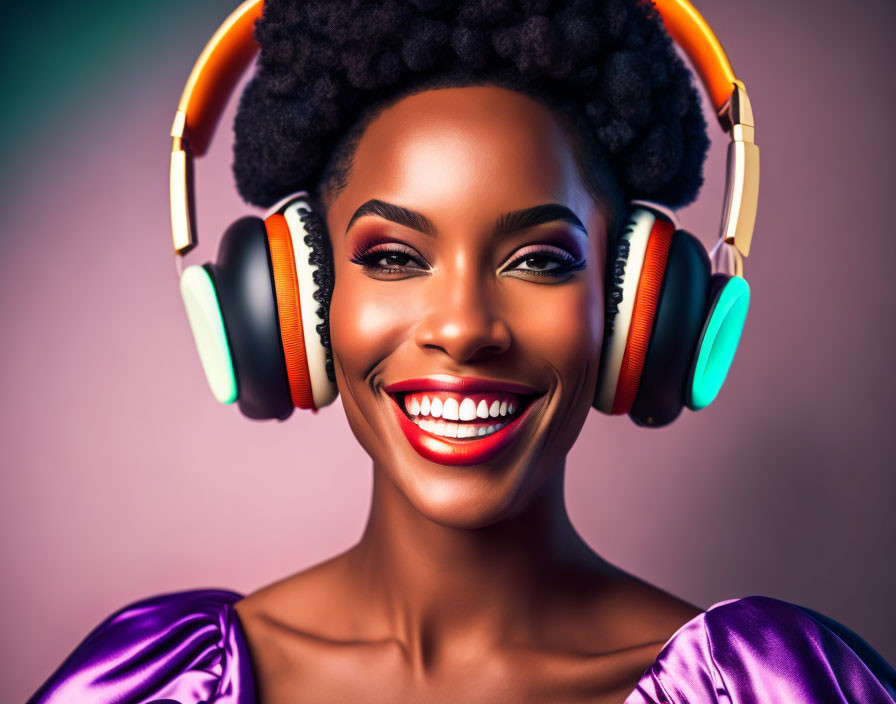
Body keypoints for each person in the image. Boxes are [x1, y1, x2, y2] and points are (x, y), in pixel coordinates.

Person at [28, 0, 896, 702]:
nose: (463, 325)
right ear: (296, 301)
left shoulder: (775, 686)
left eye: (540, 261)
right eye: (395, 257)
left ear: (639, 306)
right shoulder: (151, 685)